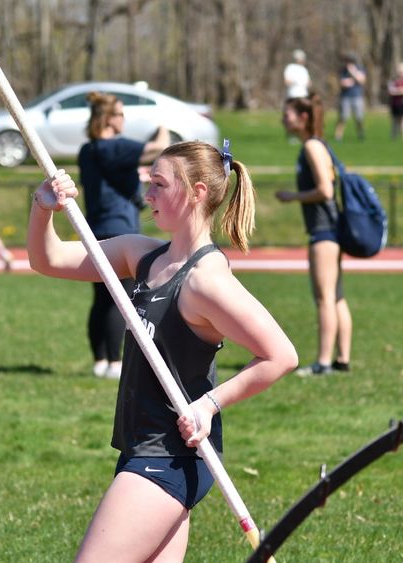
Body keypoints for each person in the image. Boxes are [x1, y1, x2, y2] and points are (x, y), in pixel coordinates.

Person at [28, 141, 298, 562]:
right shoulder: (142, 256)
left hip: (169, 458)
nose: (147, 195)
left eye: (158, 184)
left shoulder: (206, 282)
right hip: (143, 450)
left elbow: (281, 355)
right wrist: (43, 207)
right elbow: (48, 259)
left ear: (197, 192)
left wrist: (209, 405)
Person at [78, 92, 170, 379]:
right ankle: (116, 364)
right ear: (108, 118)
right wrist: (164, 123)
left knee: (102, 298)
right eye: (120, 114)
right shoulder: (115, 147)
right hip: (120, 229)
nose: (124, 119)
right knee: (124, 298)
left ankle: (100, 361)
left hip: (95, 229)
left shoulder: (88, 150)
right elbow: (160, 147)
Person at [276, 93, 353, 376]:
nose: (283, 119)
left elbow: (325, 190)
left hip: (324, 231)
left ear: (303, 117)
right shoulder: (318, 145)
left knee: (324, 298)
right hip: (329, 230)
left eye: (288, 115)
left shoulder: (311, 146)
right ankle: (342, 359)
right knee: (336, 297)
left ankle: (322, 363)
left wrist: (291, 196)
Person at [333, 53, 366, 142]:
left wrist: (353, 73)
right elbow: (342, 83)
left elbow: (362, 80)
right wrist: (351, 81)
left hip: (357, 96)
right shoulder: (343, 70)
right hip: (345, 96)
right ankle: (338, 136)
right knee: (343, 116)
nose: (348, 63)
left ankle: (361, 133)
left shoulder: (360, 69)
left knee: (359, 117)